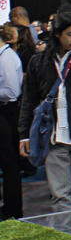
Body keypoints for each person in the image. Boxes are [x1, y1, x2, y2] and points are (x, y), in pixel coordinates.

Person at [18, 10, 71, 213]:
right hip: (52, 136)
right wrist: (24, 135)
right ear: (57, 34)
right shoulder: (39, 62)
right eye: (70, 35)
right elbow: (28, 100)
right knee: (59, 196)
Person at [0, 25, 24, 219]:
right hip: (5, 112)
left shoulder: (6, 58)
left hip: (7, 113)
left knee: (9, 164)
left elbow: (12, 92)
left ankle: (12, 210)